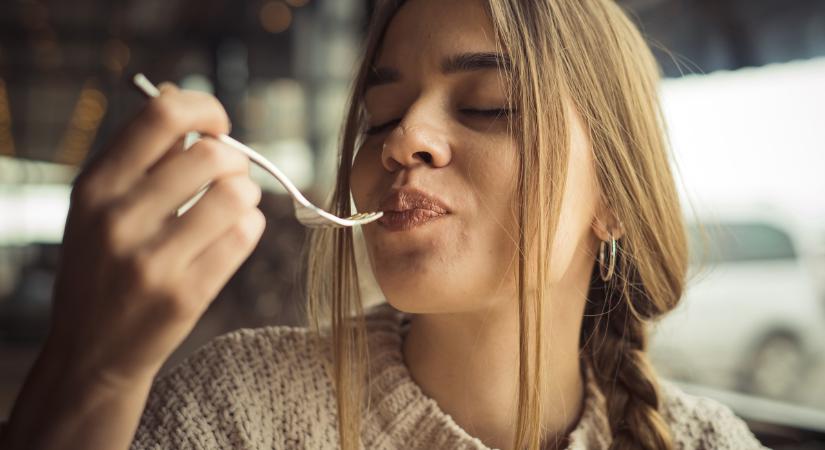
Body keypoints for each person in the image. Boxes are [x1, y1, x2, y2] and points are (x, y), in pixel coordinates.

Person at [0, 0, 770, 449]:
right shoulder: (238, 408)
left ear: (614, 199)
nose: (403, 140)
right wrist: (91, 370)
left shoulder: (710, 442)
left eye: (486, 107)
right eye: (380, 116)